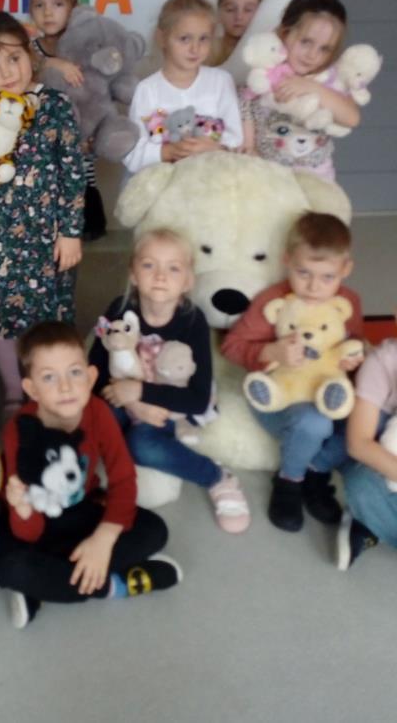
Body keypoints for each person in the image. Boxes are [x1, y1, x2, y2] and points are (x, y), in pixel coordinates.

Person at [0, 321, 181, 628]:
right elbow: (26, 531)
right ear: (31, 390)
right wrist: (23, 507)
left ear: (91, 377)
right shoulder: (19, 430)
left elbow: (122, 479)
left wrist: (103, 540)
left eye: (75, 373)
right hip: (35, 520)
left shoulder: (97, 412)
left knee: (155, 529)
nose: (66, 387)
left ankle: (49, 585)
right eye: (49, 377)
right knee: (11, 567)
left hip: (82, 509)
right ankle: (113, 585)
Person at [0, 9, 85, 415]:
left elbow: (73, 174)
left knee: (48, 318)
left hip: (46, 235)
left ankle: (49, 387)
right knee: (2, 317)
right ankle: (15, 387)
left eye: (14, 59)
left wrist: (70, 232)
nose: (7, 72)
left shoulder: (55, 105)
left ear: (30, 53)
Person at [92, 229, 250, 534]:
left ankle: (217, 477)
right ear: (133, 273)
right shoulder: (119, 310)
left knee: (142, 445)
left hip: (167, 406)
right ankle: (91, 485)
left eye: (173, 268)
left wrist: (140, 393)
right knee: (97, 417)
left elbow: (198, 399)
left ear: (188, 280)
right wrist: (134, 403)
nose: (160, 276)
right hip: (123, 397)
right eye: (149, 265)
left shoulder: (192, 321)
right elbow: (94, 371)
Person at [222, 212, 365, 532]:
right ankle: (289, 481)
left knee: (367, 418)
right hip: (279, 398)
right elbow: (231, 346)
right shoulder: (273, 300)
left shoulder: (349, 302)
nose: (314, 286)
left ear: (345, 269)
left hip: (327, 394)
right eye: (303, 273)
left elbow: (354, 343)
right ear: (287, 261)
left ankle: (316, 471)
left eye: (327, 277)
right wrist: (270, 352)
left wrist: (352, 360)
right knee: (314, 422)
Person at [123, 0, 243, 175]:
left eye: (203, 38)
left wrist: (214, 147)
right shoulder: (147, 89)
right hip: (163, 183)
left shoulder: (221, 81)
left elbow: (236, 140)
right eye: (185, 39)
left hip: (212, 178)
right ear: (162, 38)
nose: (195, 48)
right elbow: (132, 154)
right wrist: (167, 151)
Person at [240, 0, 360, 181]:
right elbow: (245, 109)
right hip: (269, 178)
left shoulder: (328, 81)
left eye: (324, 49)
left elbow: (351, 118)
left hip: (317, 181)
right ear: (284, 33)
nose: (312, 55)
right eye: (306, 42)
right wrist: (250, 148)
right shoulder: (264, 75)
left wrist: (312, 87)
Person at [28, 0, 107, 242]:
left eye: (57, 4)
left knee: (82, 176)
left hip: (80, 138)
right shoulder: (30, 49)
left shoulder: (83, 47)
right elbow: (25, 71)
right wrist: (54, 63)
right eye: (40, 5)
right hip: (43, 145)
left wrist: (93, 133)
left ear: (73, 8)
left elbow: (97, 93)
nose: (48, 13)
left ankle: (84, 225)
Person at [338, 335, 397, 569]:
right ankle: (372, 520)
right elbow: (358, 443)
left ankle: (371, 524)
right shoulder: (383, 361)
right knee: (361, 484)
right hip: (386, 463)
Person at [208, 0, 263, 66]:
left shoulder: (267, 53)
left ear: (261, 12)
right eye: (230, 9)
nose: (239, 17)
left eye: (248, 10)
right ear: (219, 11)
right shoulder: (206, 50)